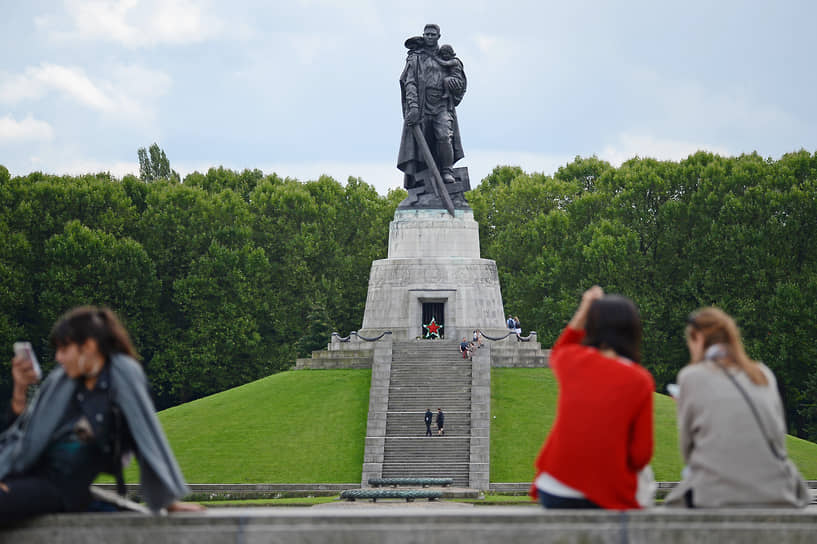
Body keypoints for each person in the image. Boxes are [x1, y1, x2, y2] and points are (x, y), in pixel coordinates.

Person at [0, 306, 203, 521]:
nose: (58, 358)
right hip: (24, 475)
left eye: (64, 349)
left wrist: (168, 502)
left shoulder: (122, 374)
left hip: (60, 487)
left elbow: (146, 435)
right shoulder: (61, 381)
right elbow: (23, 437)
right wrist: (20, 391)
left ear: (88, 346)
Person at [664, 308, 809, 508]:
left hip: (717, 495)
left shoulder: (691, 377)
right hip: (777, 491)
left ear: (697, 338)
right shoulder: (763, 374)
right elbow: (777, 438)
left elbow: (688, 452)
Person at [530, 286, 654, 509]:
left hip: (554, 487)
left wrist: (585, 306)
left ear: (592, 328)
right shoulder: (639, 380)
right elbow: (641, 454)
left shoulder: (574, 361)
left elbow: (562, 347)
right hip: (606, 491)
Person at [397, 24, 466, 192]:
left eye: (432, 34)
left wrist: (454, 83)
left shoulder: (447, 57)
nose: (429, 37)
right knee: (422, 143)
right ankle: (422, 177)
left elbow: (460, 82)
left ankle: (446, 171)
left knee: (444, 136)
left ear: (438, 36)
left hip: (441, 104)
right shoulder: (415, 57)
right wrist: (412, 106)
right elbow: (409, 82)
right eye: (426, 34)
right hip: (421, 106)